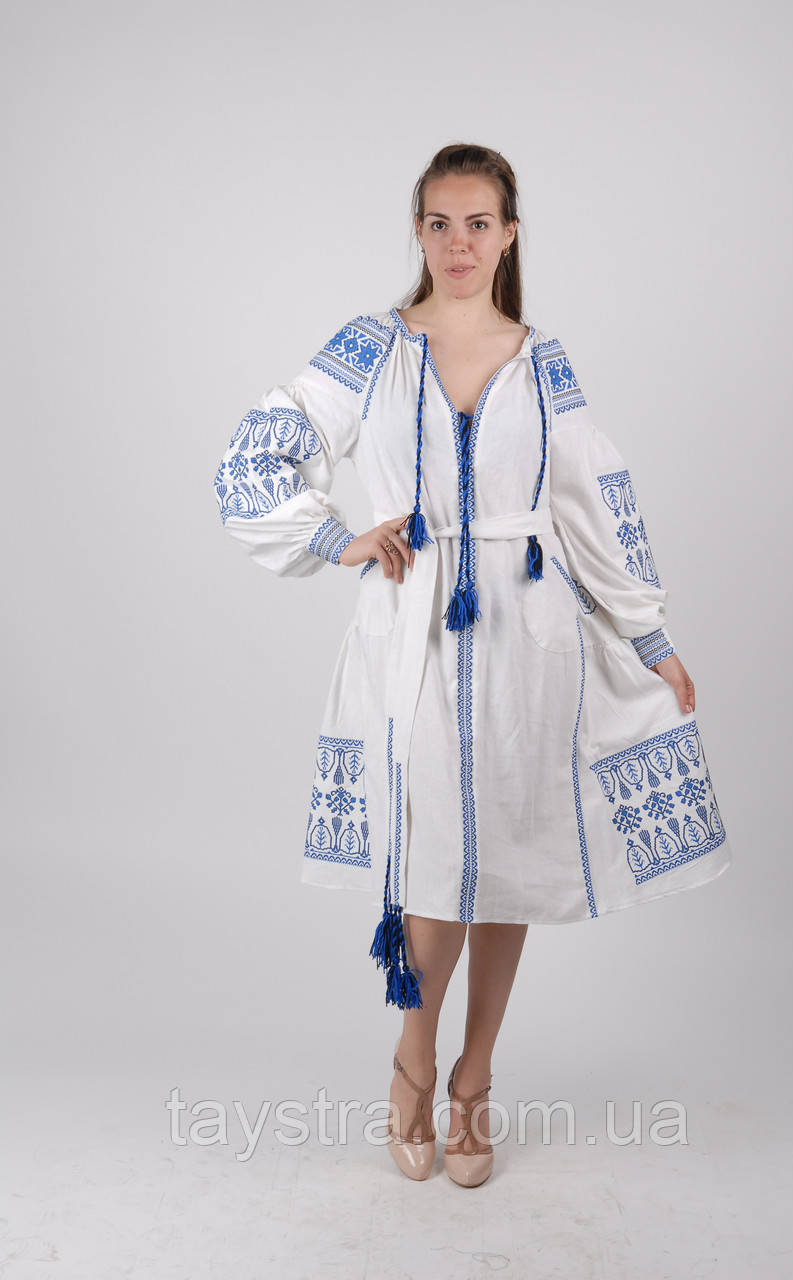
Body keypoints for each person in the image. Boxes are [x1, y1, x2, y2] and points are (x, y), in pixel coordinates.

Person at [212, 142, 732, 1187]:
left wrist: (651, 639)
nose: (459, 243)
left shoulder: (542, 359)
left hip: (529, 635)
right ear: (419, 231)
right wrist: (337, 537)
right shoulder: (371, 347)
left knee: (508, 859)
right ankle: (413, 1059)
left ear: (509, 235)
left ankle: (474, 1075)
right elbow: (257, 447)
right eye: (440, 223)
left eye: (478, 223)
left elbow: (593, 501)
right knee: (430, 860)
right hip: (411, 629)